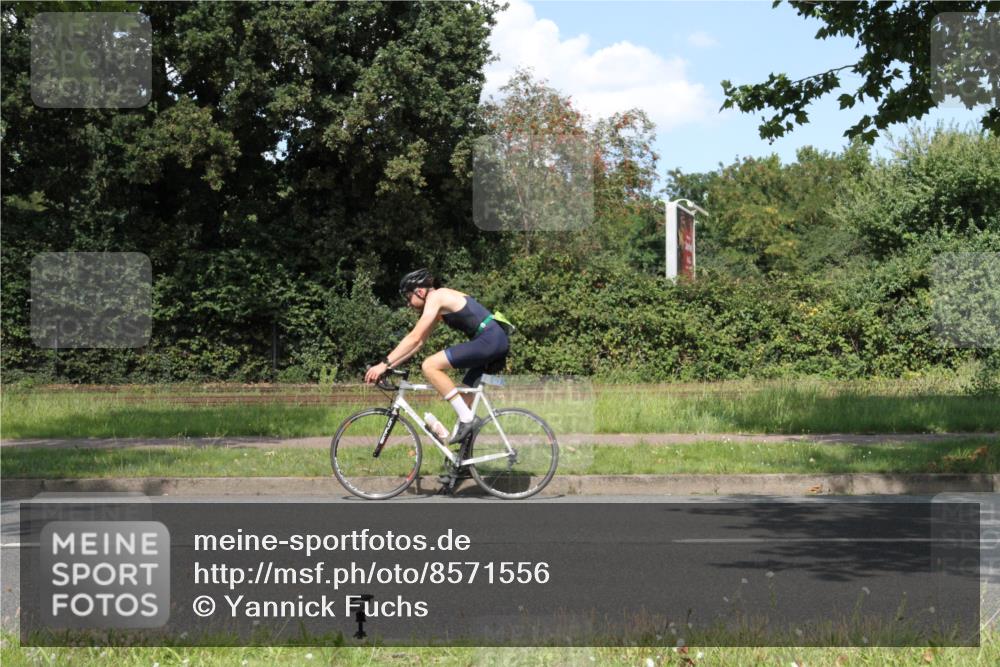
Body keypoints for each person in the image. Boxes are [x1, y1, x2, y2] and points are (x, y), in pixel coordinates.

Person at [363, 268, 509, 443]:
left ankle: (468, 420)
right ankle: (462, 464)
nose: (408, 304)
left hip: (490, 339)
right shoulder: (438, 305)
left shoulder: (436, 297)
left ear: (420, 291)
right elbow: (418, 343)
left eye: (408, 297)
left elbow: (414, 337)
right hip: (492, 339)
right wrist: (389, 366)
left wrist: (382, 364)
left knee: (429, 365)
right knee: (464, 402)